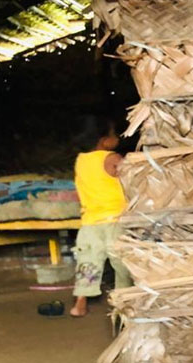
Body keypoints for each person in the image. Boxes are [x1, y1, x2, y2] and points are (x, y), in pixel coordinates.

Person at [70, 118, 131, 317]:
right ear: (104, 140)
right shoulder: (113, 158)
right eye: (114, 135)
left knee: (88, 262)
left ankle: (80, 304)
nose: (117, 138)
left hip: (89, 222)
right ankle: (123, 304)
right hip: (116, 220)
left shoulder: (80, 160)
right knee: (122, 264)